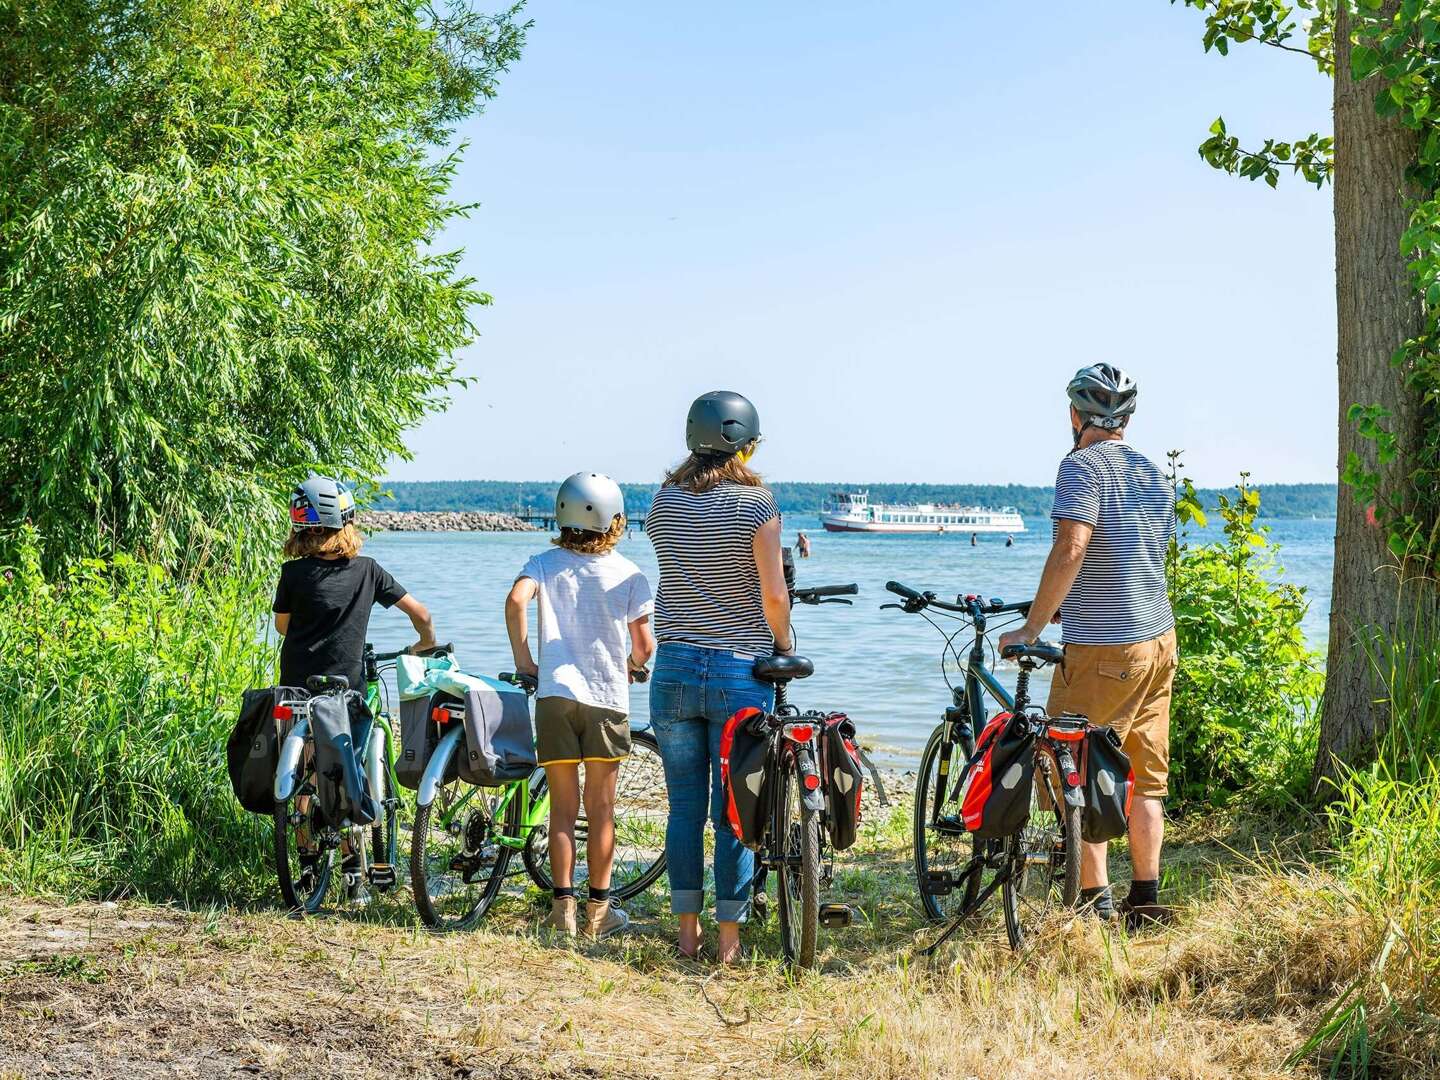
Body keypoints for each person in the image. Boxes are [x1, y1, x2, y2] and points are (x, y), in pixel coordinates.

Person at [997, 364, 1177, 930]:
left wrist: (1033, 626)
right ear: (1127, 419)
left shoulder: (1079, 467)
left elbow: (1073, 546)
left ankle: (1092, 900)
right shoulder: (1154, 474)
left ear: (1075, 416)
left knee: (1075, 763)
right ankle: (1144, 899)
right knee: (1146, 776)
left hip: (1104, 645)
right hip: (1158, 639)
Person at [645, 391, 792, 963]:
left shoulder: (663, 500)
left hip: (675, 667)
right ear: (745, 442)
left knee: (683, 807)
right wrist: (783, 644)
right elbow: (773, 594)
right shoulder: (758, 504)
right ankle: (729, 942)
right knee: (734, 812)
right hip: (738, 671)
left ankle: (687, 933)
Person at [505, 472, 655, 941]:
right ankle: (599, 913)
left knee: (563, 810)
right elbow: (645, 646)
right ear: (614, 520)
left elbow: (515, 601)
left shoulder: (544, 563)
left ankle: (562, 911)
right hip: (606, 700)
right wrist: (629, 665)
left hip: (554, 696)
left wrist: (525, 659)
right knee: (602, 810)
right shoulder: (630, 573)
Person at [272, 473, 437, 884]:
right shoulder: (368, 571)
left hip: (295, 690)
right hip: (346, 693)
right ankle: (352, 870)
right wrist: (424, 645)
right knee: (349, 771)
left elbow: (281, 627)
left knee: (305, 775)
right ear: (346, 521)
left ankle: (308, 863)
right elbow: (422, 614)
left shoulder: (292, 574)